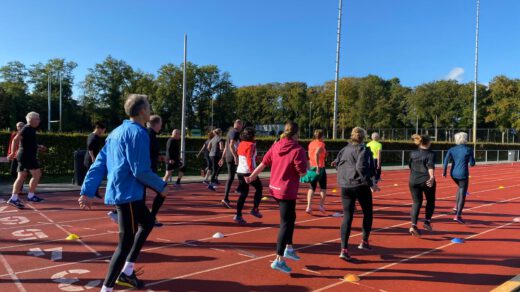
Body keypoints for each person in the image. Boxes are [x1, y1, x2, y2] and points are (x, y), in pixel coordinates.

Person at [78, 94, 167, 291]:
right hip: (128, 194)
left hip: (123, 191)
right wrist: (162, 186)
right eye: (149, 106)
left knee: (148, 223)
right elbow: (140, 170)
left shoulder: (115, 132)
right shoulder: (138, 133)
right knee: (125, 243)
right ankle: (107, 288)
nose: (150, 110)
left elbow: (99, 163)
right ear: (142, 111)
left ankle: (127, 271)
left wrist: (88, 190)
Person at [246, 121, 307, 274]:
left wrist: (252, 176)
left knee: (291, 218)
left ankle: (289, 248)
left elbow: (263, 163)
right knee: (285, 223)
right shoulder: (298, 149)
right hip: (286, 190)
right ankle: (279, 259)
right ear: (296, 134)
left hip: (275, 188)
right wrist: (307, 170)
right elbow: (302, 172)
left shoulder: (276, 145)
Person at [332, 127, 378, 261]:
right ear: (363, 137)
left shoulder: (344, 149)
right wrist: (371, 184)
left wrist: (343, 175)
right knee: (368, 212)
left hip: (345, 185)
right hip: (359, 185)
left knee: (347, 216)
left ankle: (344, 249)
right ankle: (364, 241)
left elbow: (336, 163)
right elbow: (360, 168)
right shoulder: (362, 149)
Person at [7, 112, 47, 209]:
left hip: (25, 155)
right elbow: (15, 139)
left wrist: (38, 146)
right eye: (37, 118)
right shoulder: (27, 128)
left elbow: (28, 143)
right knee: (37, 174)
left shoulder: (31, 130)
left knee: (21, 176)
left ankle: (15, 198)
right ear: (31, 119)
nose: (39, 120)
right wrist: (12, 153)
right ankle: (30, 196)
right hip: (27, 156)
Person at [443, 132, 476, 224]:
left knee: (460, 188)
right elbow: (472, 164)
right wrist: (472, 158)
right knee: (463, 193)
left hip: (453, 174)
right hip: (463, 174)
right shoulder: (468, 149)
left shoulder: (452, 149)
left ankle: (456, 207)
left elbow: (445, 161)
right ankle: (458, 215)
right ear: (465, 139)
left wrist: (444, 172)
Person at [408, 134, 436, 237]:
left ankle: (413, 225)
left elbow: (410, 166)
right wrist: (432, 177)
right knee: (430, 200)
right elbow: (430, 165)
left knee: (416, 203)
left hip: (413, 180)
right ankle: (427, 221)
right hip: (426, 179)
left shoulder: (412, 153)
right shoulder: (431, 154)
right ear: (428, 142)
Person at [234, 127, 263, 224]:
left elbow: (243, 155)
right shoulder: (251, 145)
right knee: (259, 188)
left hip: (240, 171)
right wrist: (252, 173)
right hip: (248, 171)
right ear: (252, 136)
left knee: (243, 194)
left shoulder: (241, 143)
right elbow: (249, 158)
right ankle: (255, 209)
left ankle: (238, 215)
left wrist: (257, 159)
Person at [219, 119, 243, 208]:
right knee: (241, 174)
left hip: (228, 157)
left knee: (233, 176)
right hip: (233, 158)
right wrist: (235, 157)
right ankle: (235, 192)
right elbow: (231, 145)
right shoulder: (235, 132)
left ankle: (228, 197)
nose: (242, 128)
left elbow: (226, 146)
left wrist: (222, 157)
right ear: (239, 125)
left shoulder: (229, 132)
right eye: (241, 126)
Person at [306, 129, 327, 214]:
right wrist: (318, 166)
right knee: (323, 187)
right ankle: (321, 205)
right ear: (321, 136)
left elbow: (309, 154)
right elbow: (317, 154)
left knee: (312, 187)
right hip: (320, 167)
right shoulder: (321, 144)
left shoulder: (311, 143)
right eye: (324, 135)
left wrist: (310, 165)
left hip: (312, 167)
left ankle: (308, 206)